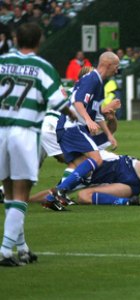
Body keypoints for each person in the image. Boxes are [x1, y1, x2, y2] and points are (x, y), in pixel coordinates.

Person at [0, 23, 75, 267]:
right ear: (40, 40)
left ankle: (22, 248)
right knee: (21, 193)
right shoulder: (42, 67)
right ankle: (4, 251)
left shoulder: (2, 62)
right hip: (24, 133)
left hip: (0, 131)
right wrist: (73, 115)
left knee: (10, 194)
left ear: (14, 38)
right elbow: (58, 101)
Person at [47, 51, 120, 206]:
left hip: (68, 127)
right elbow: (76, 101)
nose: (117, 69)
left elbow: (98, 114)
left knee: (81, 166)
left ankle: (54, 197)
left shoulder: (99, 82)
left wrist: (109, 135)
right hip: (72, 126)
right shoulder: (92, 78)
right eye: (116, 66)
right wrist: (88, 121)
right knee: (96, 159)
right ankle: (60, 191)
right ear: (108, 64)